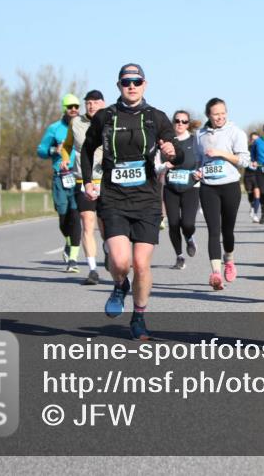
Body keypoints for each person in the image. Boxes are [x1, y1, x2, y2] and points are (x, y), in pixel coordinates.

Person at [81, 64, 179, 341]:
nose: (132, 86)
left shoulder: (156, 118)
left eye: (136, 81)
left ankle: (139, 317)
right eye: (126, 82)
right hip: (113, 198)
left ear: (145, 84)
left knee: (141, 263)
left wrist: (172, 152)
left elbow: (177, 154)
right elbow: (88, 150)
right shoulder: (105, 116)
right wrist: (88, 180)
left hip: (146, 200)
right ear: (119, 86)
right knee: (121, 262)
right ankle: (119, 284)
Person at [195, 98, 250, 290]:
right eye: (215, 114)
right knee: (213, 230)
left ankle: (229, 259)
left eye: (222, 113)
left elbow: (244, 161)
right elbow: (198, 161)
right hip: (208, 186)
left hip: (230, 186)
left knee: (228, 231)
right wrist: (198, 172)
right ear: (208, 115)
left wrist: (221, 153)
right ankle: (216, 273)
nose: (220, 117)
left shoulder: (236, 132)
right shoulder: (200, 135)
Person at [59, 89, 106, 284]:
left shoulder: (111, 120)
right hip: (83, 180)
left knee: (105, 227)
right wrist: (64, 159)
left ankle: (108, 250)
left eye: (95, 102)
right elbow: (67, 146)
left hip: (105, 181)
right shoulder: (76, 123)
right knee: (87, 222)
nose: (91, 105)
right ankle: (93, 269)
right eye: (88, 102)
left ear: (103, 103)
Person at [36, 93, 82, 273]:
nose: (73, 110)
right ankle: (69, 242)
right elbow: (40, 150)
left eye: (76, 106)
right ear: (64, 108)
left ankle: (73, 259)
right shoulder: (54, 129)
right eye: (70, 106)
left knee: (76, 216)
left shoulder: (83, 127)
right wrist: (55, 149)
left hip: (78, 176)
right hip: (60, 177)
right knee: (63, 217)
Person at [155, 110, 200, 270]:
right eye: (177, 120)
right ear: (173, 122)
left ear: (188, 124)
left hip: (191, 187)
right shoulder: (166, 142)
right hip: (171, 187)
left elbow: (202, 160)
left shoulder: (195, 141)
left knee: (187, 223)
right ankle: (179, 256)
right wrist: (163, 166)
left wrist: (199, 172)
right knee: (173, 223)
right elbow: (156, 164)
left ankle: (189, 237)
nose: (180, 124)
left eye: (184, 121)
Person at [245, 131, 262, 223]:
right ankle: (252, 207)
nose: (254, 141)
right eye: (253, 139)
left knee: (257, 193)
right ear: (250, 140)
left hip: (257, 174)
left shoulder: (261, 150)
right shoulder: (246, 149)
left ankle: (255, 213)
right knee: (250, 195)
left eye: (256, 139)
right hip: (248, 174)